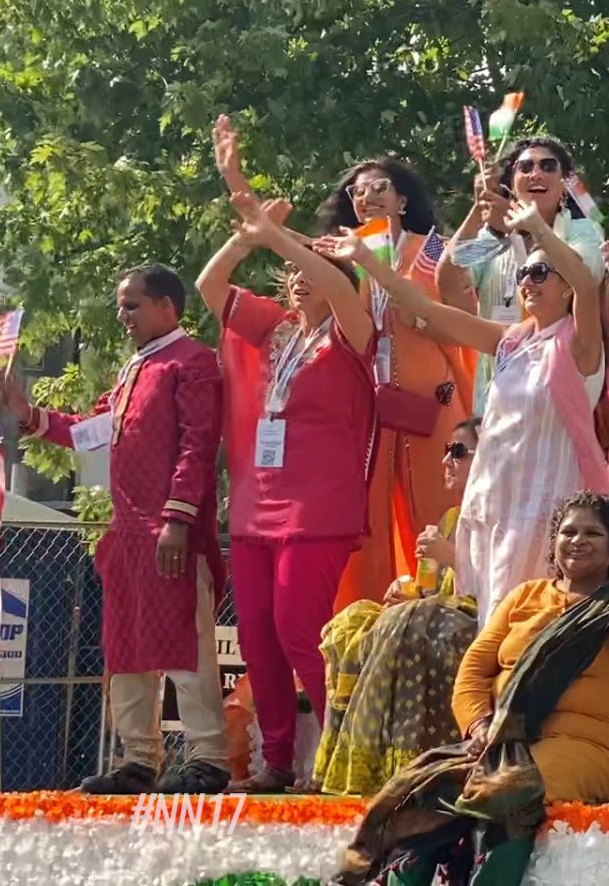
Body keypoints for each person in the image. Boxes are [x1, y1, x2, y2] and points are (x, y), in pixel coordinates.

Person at [340, 493, 609, 886]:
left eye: (593, 533)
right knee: (421, 789)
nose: (578, 540)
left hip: (591, 746)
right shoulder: (525, 596)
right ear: (554, 541)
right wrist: (480, 725)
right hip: (503, 742)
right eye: (568, 531)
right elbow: (472, 672)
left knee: (506, 790)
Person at [317, 195, 608, 626]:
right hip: (492, 507)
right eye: (523, 272)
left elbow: (588, 284)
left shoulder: (578, 345)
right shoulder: (510, 340)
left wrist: (538, 229)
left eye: (540, 272)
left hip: (544, 511)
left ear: (565, 284)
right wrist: (368, 261)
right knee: (487, 626)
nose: (526, 281)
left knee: (529, 628)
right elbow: (425, 308)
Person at [1, 266, 228, 793]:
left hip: (171, 531)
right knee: (125, 646)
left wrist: (176, 519)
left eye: (132, 305)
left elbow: (198, 447)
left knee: (183, 643)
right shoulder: (134, 369)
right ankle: (139, 759)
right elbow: (92, 432)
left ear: (167, 306)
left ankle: (209, 758)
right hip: (126, 534)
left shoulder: (192, 362)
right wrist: (27, 412)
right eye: (121, 305)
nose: (122, 316)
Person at [198, 154, 378, 790]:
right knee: (257, 640)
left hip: (318, 509)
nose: (302, 282)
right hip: (254, 505)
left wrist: (278, 232)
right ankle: (276, 761)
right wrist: (244, 237)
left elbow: (334, 287)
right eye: (293, 275)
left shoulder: (355, 337)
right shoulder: (272, 328)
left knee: (299, 630)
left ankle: (340, 758)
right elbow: (209, 288)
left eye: (317, 274)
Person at [318, 156, 472, 609]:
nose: (366, 197)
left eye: (379, 188)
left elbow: (459, 315)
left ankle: (449, 612)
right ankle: (368, 620)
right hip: (370, 407)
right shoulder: (344, 256)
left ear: (402, 201)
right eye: (357, 192)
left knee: (442, 506)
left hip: (435, 400)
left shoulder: (433, 250)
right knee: (368, 518)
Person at [313, 418, 482, 798]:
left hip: (475, 623)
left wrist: (452, 557)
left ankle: (404, 769)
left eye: (458, 452)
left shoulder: (499, 514)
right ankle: (340, 767)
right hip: (436, 614)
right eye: (446, 451)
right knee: (351, 622)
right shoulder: (451, 519)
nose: (446, 462)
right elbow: (430, 591)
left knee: (405, 624)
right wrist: (408, 594)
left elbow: (498, 588)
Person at [437, 136, 606, 411]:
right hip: (499, 396)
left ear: (564, 184)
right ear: (512, 184)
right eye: (525, 167)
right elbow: (448, 283)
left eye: (548, 166)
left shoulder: (582, 231)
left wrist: (538, 227)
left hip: (559, 394)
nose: (536, 173)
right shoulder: (493, 239)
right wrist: (477, 210)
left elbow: (585, 279)